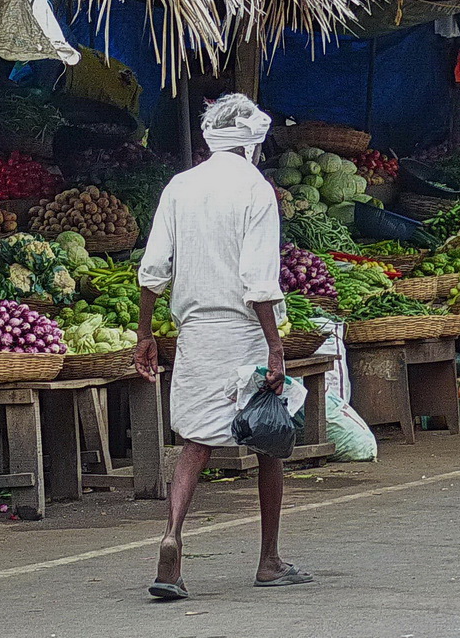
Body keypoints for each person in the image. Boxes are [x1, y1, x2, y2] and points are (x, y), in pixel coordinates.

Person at [134, 93, 311, 599]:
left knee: (195, 442)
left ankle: (171, 538)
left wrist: (145, 334)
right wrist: (275, 349)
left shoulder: (180, 186)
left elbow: (153, 270)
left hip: (196, 334)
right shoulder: (256, 191)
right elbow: (259, 282)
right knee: (269, 442)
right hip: (245, 334)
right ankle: (269, 560)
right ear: (253, 142)